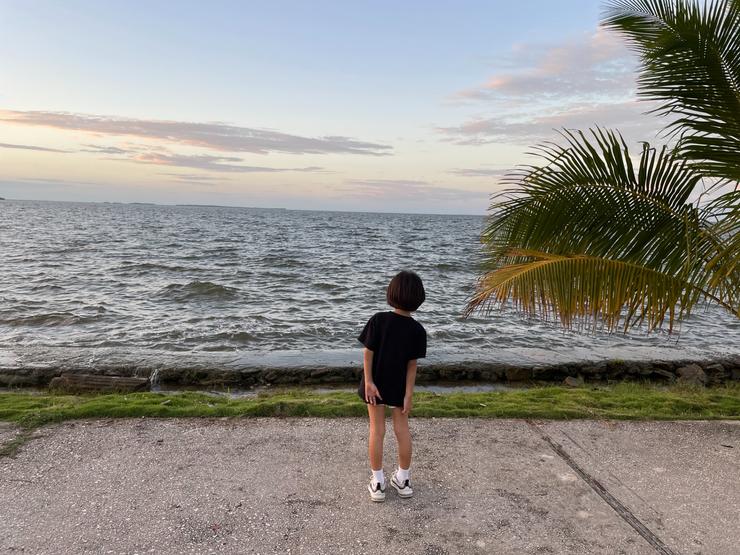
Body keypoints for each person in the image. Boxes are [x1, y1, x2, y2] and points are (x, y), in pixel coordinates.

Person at [357, 270, 427, 502]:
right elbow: (411, 365)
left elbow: (368, 353)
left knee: (377, 431)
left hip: (375, 383)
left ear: (392, 293)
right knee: (402, 431)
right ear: (419, 298)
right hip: (398, 386)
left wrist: (369, 382)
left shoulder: (379, 320)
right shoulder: (417, 330)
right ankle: (403, 480)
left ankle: (378, 483)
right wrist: (408, 393)